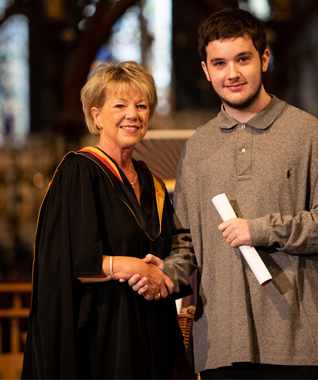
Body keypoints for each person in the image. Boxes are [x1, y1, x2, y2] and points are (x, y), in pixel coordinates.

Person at [131, 7, 318, 379]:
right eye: (219, 63)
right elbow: (186, 242)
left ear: (264, 59)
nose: (232, 73)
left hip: (301, 347)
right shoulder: (198, 148)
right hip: (222, 347)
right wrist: (167, 274)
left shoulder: (307, 133)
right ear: (206, 70)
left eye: (243, 59)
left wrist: (264, 229)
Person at [21, 61, 192, 379]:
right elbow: (70, 259)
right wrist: (133, 267)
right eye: (120, 105)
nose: (133, 114)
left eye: (142, 105)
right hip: (102, 332)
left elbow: (175, 246)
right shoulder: (80, 171)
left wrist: (163, 274)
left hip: (151, 325)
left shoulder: (150, 181)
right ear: (96, 115)